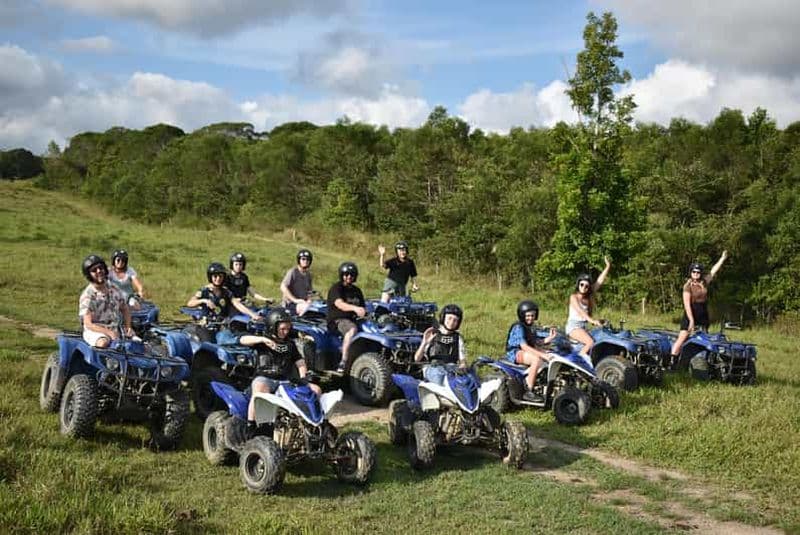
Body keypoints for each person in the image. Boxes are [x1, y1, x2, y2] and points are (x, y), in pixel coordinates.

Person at [246, 309, 321, 436]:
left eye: (287, 329)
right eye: (282, 329)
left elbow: (300, 363)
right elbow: (242, 339)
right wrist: (262, 340)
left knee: (316, 390)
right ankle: (251, 425)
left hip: (286, 380)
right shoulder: (263, 341)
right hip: (265, 377)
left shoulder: (290, 344)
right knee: (259, 389)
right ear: (273, 327)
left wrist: (304, 378)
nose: (285, 332)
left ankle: (315, 423)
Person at [668, 250, 729, 366]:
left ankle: (704, 362)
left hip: (703, 315)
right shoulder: (687, 286)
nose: (696, 273)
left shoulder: (704, 282)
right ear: (691, 272)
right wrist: (691, 320)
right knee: (682, 338)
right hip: (691, 313)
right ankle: (672, 362)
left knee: (704, 339)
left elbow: (713, 271)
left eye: (698, 272)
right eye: (694, 271)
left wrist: (722, 258)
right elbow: (687, 305)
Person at [186, 262, 262, 343]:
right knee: (209, 345)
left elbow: (237, 304)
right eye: (215, 276)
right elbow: (190, 303)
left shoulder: (226, 292)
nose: (218, 279)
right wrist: (203, 300)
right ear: (210, 277)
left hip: (222, 326)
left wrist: (252, 314)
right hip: (206, 327)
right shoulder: (204, 291)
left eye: (220, 276)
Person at [506, 300, 557, 401]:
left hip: (526, 351)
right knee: (536, 359)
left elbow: (537, 342)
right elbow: (524, 346)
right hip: (515, 352)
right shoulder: (518, 327)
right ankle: (528, 390)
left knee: (551, 355)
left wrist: (550, 338)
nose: (531, 318)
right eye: (528, 316)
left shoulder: (530, 327)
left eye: (533, 316)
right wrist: (542, 355)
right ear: (522, 315)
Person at [79, 254, 134, 348]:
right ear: (89, 275)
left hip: (115, 329)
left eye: (101, 268)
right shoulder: (88, 295)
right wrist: (109, 333)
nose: (99, 271)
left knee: (138, 345)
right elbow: (88, 324)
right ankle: (108, 363)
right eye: (94, 270)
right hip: (96, 331)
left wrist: (128, 327)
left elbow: (125, 308)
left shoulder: (114, 288)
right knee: (103, 343)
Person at [565, 256, 611, 359]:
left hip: (583, 327)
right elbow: (581, 312)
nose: (584, 287)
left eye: (586, 286)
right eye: (582, 285)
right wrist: (593, 321)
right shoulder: (573, 297)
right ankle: (579, 361)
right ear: (578, 285)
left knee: (601, 337)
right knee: (590, 342)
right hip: (574, 327)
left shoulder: (589, 296)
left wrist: (608, 266)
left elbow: (599, 281)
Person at [326, 261, 366, 373]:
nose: (349, 277)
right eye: (346, 274)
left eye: (351, 275)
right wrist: (355, 308)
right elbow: (339, 304)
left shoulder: (357, 291)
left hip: (354, 319)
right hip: (338, 320)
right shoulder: (336, 288)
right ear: (341, 275)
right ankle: (343, 361)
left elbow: (363, 307)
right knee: (352, 329)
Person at [414, 304, 467, 385]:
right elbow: (417, 359)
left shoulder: (458, 338)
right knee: (440, 376)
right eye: (449, 318)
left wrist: (463, 366)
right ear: (443, 318)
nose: (451, 322)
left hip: (451, 369)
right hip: (433, 368)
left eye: (455, 320)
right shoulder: (432, 334)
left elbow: (462, 360)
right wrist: (424, 343)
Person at [280, 249, 314, 315]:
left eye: (307, 259)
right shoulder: (293, 272)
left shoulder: (308, 275)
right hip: (290, 304)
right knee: (306, 308)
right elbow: (283, 286)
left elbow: (309, 291)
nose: (305, 261)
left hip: (303, 302)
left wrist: (309, 300)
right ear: (299, 260)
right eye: (303, 259)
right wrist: (294, 300)